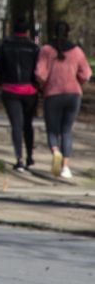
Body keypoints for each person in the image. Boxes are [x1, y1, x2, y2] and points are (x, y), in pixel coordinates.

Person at [36, 21, 91, 179]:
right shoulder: (77, 51)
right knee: (66, 130)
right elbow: (86, 74)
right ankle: (65, 167)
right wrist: (77, 81)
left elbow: (40, 74)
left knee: (52, 129)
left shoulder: (46, 50)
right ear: (68, 32)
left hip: (52, 94)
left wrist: (44, 83)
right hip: (73, 95)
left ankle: (55, 151)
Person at [0, 16, 41, 171]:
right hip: (29, 90)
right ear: (27, 31)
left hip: (10, 90)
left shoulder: (4, 46)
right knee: (28, 124)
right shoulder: (34, 48)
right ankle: (29, 157)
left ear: (12, 29)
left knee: (16, 124)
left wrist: (2, 82)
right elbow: (38, 70)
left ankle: (19, 158)